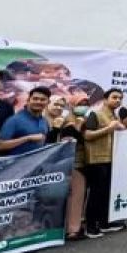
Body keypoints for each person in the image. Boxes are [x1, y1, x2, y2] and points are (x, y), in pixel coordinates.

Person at [82, 88, 127, 237]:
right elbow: (87, 135)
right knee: (96, 193)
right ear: (105, 98)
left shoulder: (114, 115)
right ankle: (90, 227)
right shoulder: (95, 114)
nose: (117, 100)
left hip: (110, 158)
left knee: (106, 193)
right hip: (96, 159)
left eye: (120, 98)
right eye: (114, 97)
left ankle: (104, 223)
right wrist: (109, 128)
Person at [49, 97, 89, 241]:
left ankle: (73, 229)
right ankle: (66, 229)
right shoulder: (65, 121)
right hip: (63, 164)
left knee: (76, 197)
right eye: (80, 104)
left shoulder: (83, 120)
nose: (83, 107)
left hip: (78, 163)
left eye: (86, 104)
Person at [0, 86, 50, 155]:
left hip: (37, 164)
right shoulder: (14, 120)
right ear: (28, 100)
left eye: (43, 100)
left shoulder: (44, 121)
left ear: (48, 102)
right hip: (16, 164)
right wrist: (27, 138)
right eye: (35, 99)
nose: (38, 102)